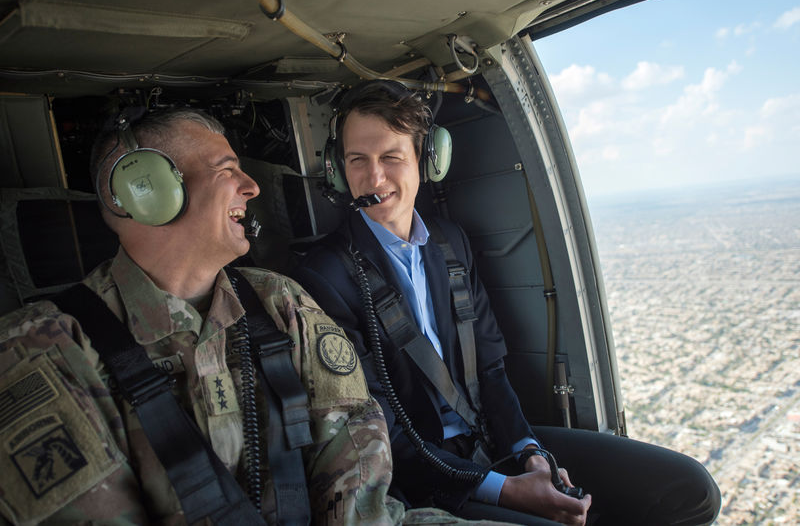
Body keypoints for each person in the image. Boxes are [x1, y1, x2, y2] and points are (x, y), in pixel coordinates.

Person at [0, 109, 506, 525]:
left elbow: (363, 506)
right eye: (227, 170)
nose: (251, 186)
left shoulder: (280, 303)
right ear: (146, 192)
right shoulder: (44, 349)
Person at [292, 81, 722, 525]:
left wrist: (529, 452)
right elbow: (379, 432)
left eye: (391, 158)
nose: (374, 177)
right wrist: (507, 490)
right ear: (339, 170)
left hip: (495, 441)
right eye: (357, 160)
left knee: (691, 491)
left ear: (427, 160)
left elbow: (491, 370)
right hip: (427, 474)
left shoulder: (450, 243)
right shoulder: (325, 277)